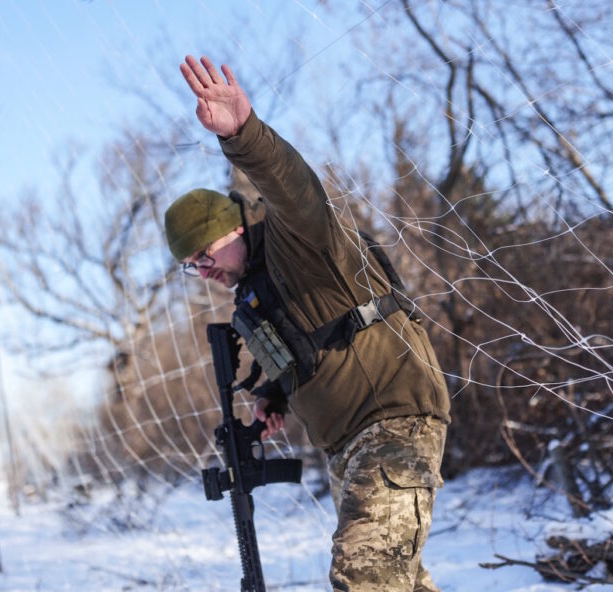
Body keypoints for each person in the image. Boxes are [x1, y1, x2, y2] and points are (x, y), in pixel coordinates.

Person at [165, 55, 451, 592]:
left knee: (363, 577)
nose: (203, 271)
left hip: (391, 418)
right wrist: (273, 395)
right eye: (192, 265)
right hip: (348, 445)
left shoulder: (294, 242)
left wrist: (243, 135)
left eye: (205, 253)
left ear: (233, 228)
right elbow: (306, 344)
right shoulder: (253, 293)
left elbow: (295, 188)